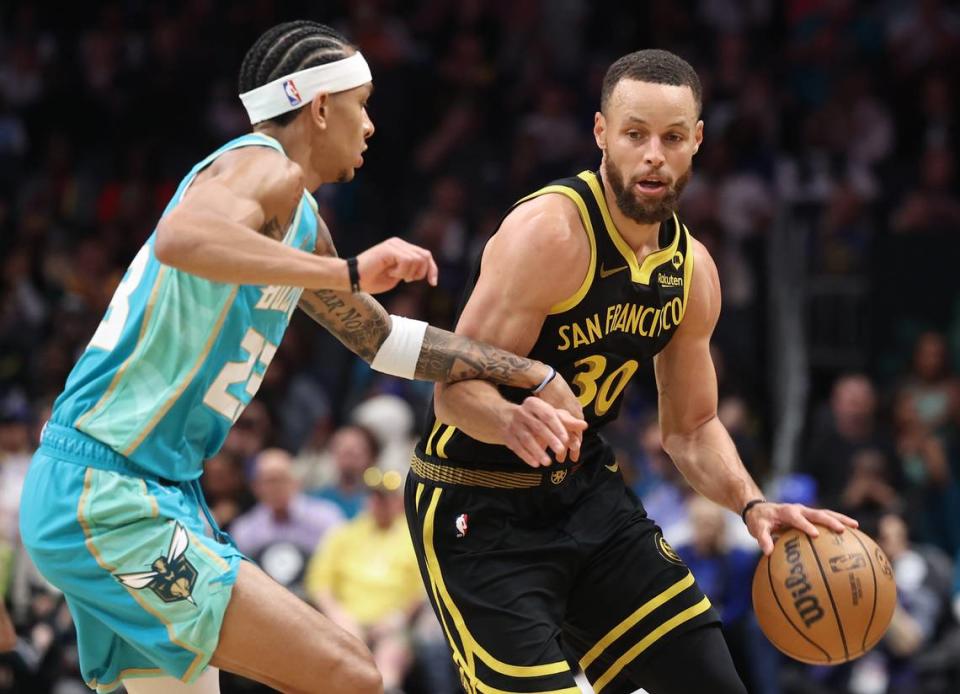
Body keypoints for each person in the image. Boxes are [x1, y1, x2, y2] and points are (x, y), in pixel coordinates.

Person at [18, 20, 583, 694]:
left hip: (146, 490)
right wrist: (347, 271)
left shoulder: (301, 218)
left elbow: (383, 341)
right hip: (108, 491)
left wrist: (529, 374)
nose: (370, 125)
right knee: (349, 676)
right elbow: (179, 236)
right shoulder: (260, 162)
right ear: (320, 107)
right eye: (362, 104)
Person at [406, 49, 858, 694]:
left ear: (696, 141)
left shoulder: (693, 270)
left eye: (672, 137)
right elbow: (450, 393)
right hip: (477, 504)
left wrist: (750, 503)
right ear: (601, 134)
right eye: (635, 134)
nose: (653, 154)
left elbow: (693, 428)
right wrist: (511, 417)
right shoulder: (549, 234)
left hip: (586, 494)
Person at [306, 468, 428, 694]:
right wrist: (337, 613)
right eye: (374, 497)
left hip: (392, 623)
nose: (379, 503)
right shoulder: (343, 534)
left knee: (389, 659)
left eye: (385, 497)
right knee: (345, 655)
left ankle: (389, 688)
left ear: (398, 501)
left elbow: (421, 589)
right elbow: (319, 582)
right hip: (346, 621)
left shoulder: (414, 537)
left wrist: (398, 617)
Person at [229, 448, 344, 592]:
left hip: (317, 601)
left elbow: (342, 568)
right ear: (256, 487)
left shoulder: (327, 518)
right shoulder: (244, 529)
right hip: (265, 603)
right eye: (269, 481)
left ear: (296, 481)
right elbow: (240, 579)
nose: (276, 487)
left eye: (282, 479)